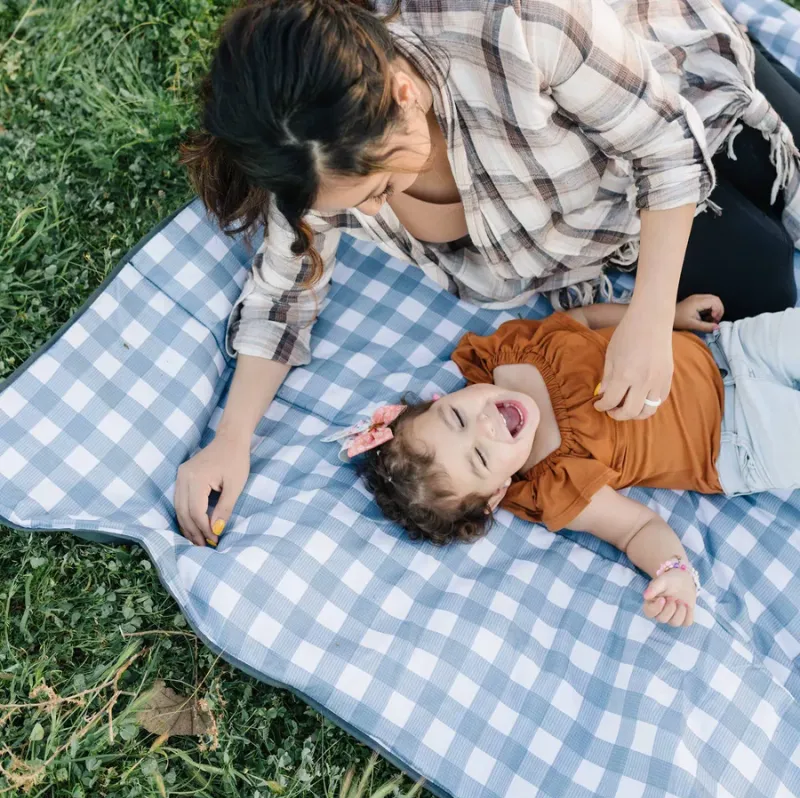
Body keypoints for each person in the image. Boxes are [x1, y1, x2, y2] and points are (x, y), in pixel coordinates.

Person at [175, 0, 800, 547]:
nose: (369, 214)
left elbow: (666, 146)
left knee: (764, 217)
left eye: (381, 187)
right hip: (600, 229)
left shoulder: (522, 24)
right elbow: (286, 292)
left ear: (404, 92)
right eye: (351, 205)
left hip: (662, 88)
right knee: (766, 282)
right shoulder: (312, 165)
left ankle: (753, 69)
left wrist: (651, 314)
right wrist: (233, 437)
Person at [351, 297, 800, 628]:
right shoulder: (557, 485)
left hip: (728, 349)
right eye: (482, 456)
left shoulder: (511, 351)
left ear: (441, 398)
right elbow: (636, 529)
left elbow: (585, 319)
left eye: (457, 416)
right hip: (738, 439)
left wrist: (667, 313)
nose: (485, 424)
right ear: (497, 493)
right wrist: (673, 570)